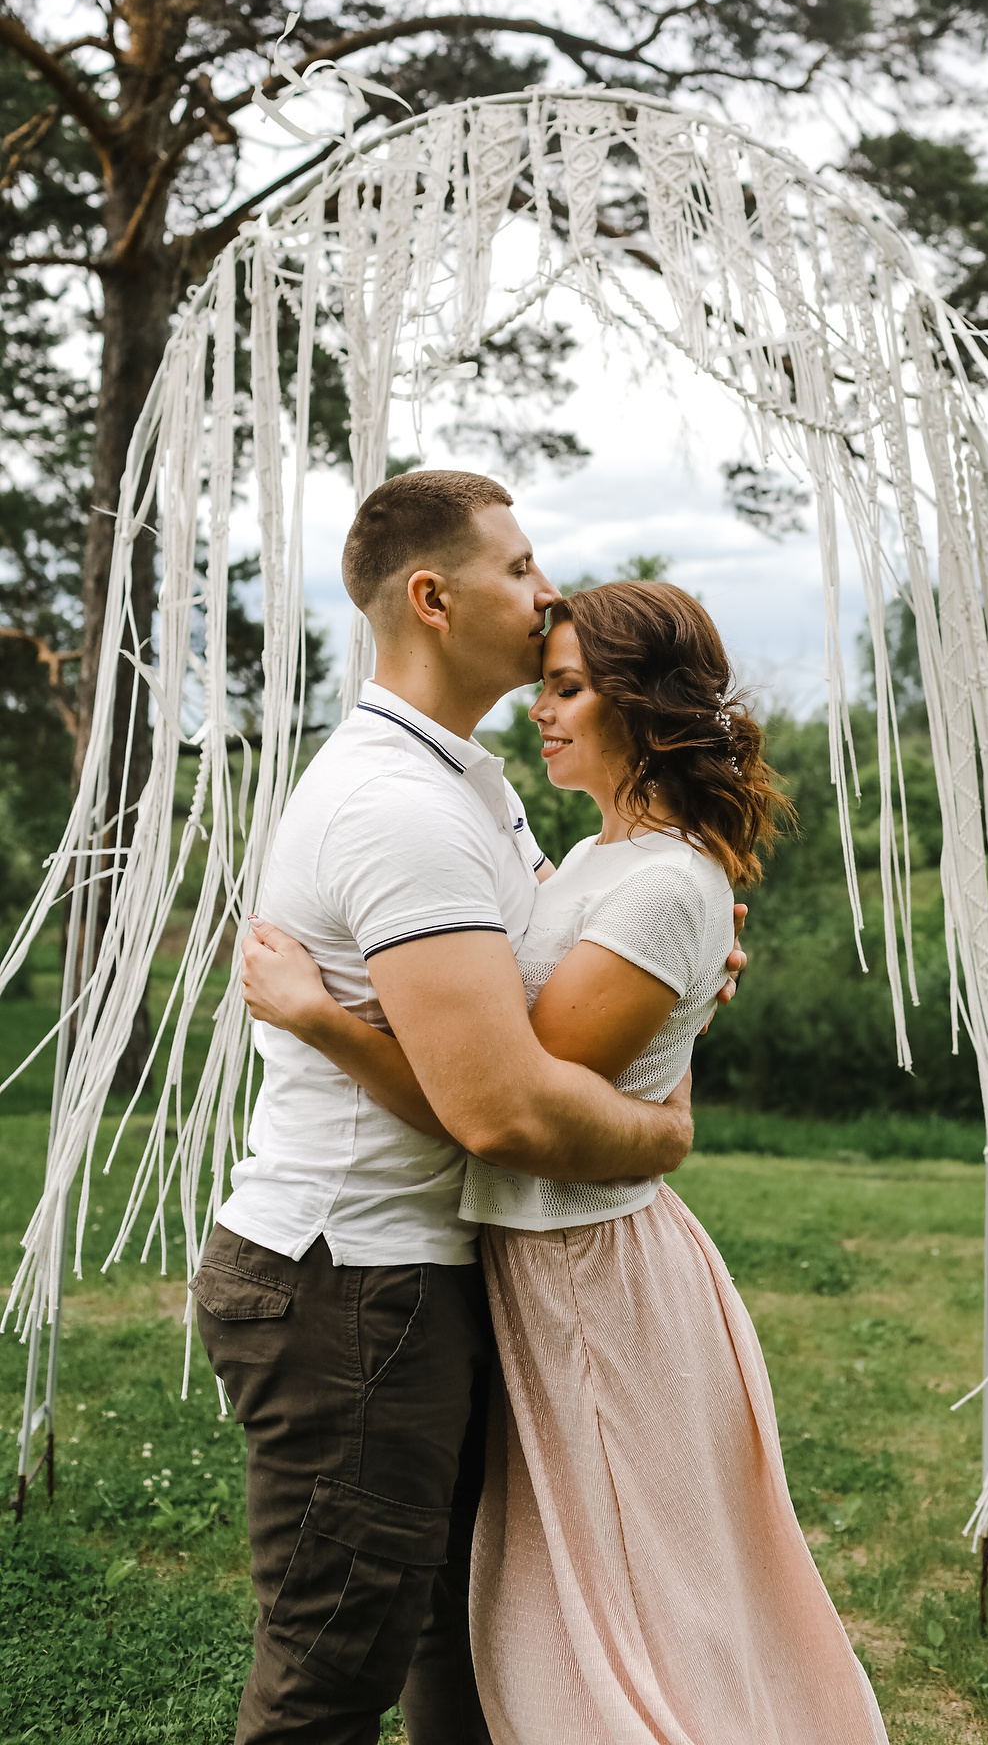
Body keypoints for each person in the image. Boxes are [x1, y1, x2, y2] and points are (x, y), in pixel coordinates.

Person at [242, 580, 890, 1745]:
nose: (543, 711)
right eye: (546, 683)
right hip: (537, 1260)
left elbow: (499, 1104)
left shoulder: (656, 879)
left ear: (645, 706)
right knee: (527, 1598)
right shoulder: (594, 858)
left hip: (584, 1273)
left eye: (571, 687)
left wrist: (321, 1018)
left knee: (615, 1613)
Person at [192, 470, 745, 1745]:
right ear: (434, 598)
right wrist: (664, 1129)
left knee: (470, 1635)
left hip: (414, 1267)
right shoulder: (402, 807)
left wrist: (675, 966)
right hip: (351, 1277)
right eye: (519, 565)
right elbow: (497, 1105)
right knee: (333, 1673)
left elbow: (565, 972)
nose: (545, 590)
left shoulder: (471, 786)